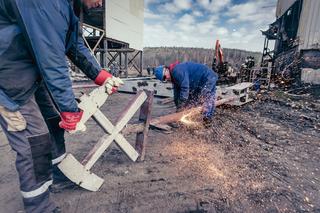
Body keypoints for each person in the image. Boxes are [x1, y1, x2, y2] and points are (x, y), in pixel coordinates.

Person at [0, 0, 123, 212]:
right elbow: (52, 59)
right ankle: (38, 206)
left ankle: (56, 172)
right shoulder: (47, 3)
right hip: (9, 75)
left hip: (28, 68)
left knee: (53, 120)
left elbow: (73, 45)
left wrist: (101, 76)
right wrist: (70, 111)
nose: (101, 2)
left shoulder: (65, 6)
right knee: (34, 140)